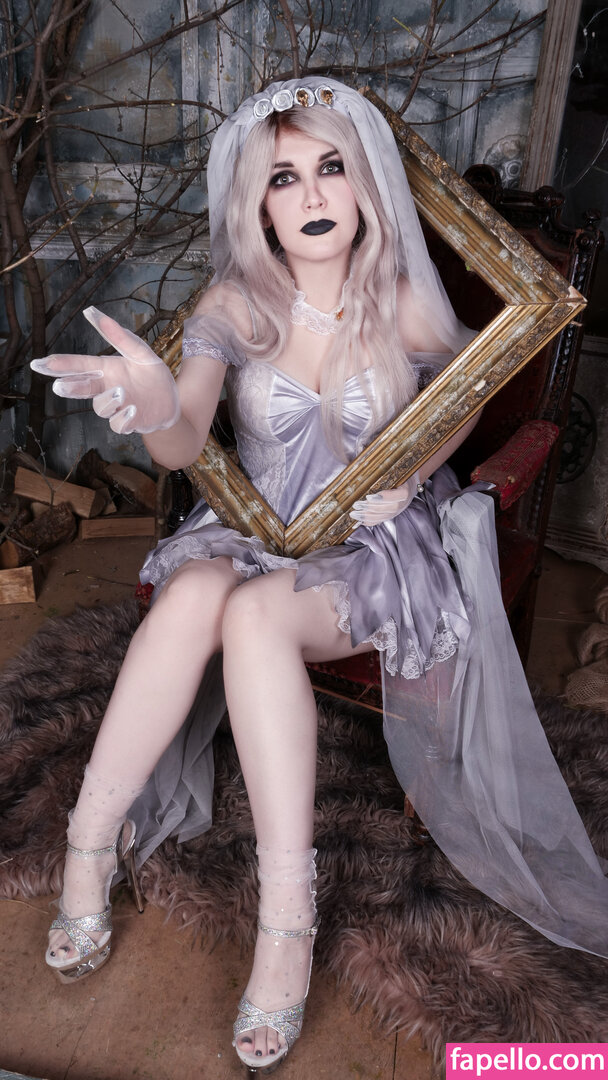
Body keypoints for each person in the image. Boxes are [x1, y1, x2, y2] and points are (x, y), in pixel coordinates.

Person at [31, 77, 608, 1074]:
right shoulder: (234, 302)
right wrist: (154, 403)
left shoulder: (405, 298)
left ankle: (285, 921)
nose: (309, 195)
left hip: (370, 550)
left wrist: (412, 473)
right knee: (198, 594)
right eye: (282, 175)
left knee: (256, 615)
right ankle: (89, 843)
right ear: (258, 202)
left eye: (330, 167)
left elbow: (466, 395)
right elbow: (182, 443)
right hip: (255, 529)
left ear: (365, 180)